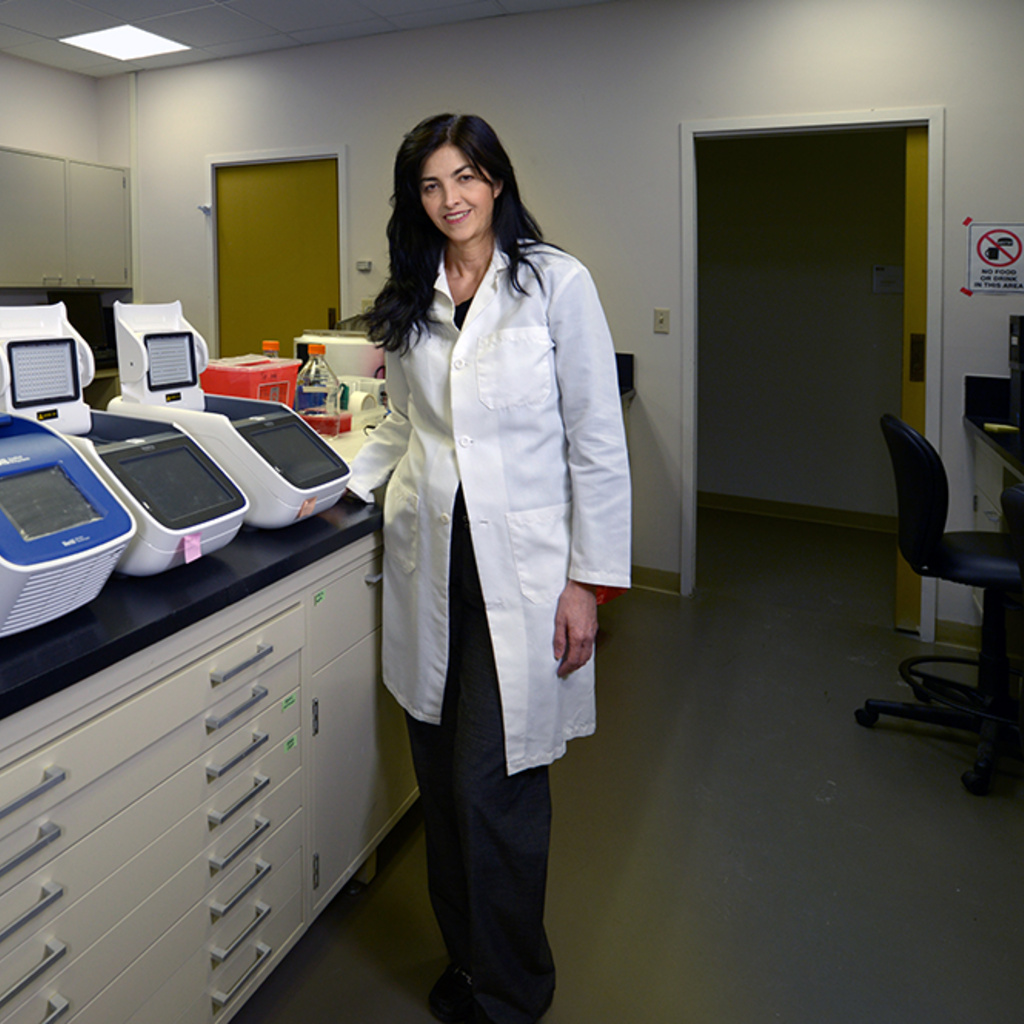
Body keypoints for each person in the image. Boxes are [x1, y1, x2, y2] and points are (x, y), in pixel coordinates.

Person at [346, 113, 631, 1024]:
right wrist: (328, 489)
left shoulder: (554, 282)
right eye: (431, 185)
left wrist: (589, 580)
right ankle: (468, 961)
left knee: (494, 786)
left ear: (497, 181)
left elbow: (597, 440)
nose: (451, 199)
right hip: (432, 565)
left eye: (466, 177)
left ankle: (513, 990)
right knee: (439, 778)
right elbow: (402, 424)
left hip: (526, 576)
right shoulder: (414, 293)